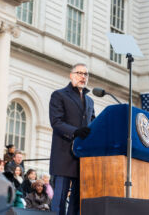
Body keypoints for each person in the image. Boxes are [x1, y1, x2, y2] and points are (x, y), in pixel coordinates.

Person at [49, 63, 95, 215]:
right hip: (63, 155)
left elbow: (93, 124)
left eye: (86, 74)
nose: (83, 77)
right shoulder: (59, 95)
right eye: (79, 73)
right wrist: (76, 132)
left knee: (76, 202)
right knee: (60, 201)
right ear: (71, 75)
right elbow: (56, 122)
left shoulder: (90, 101)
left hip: (81, 157)